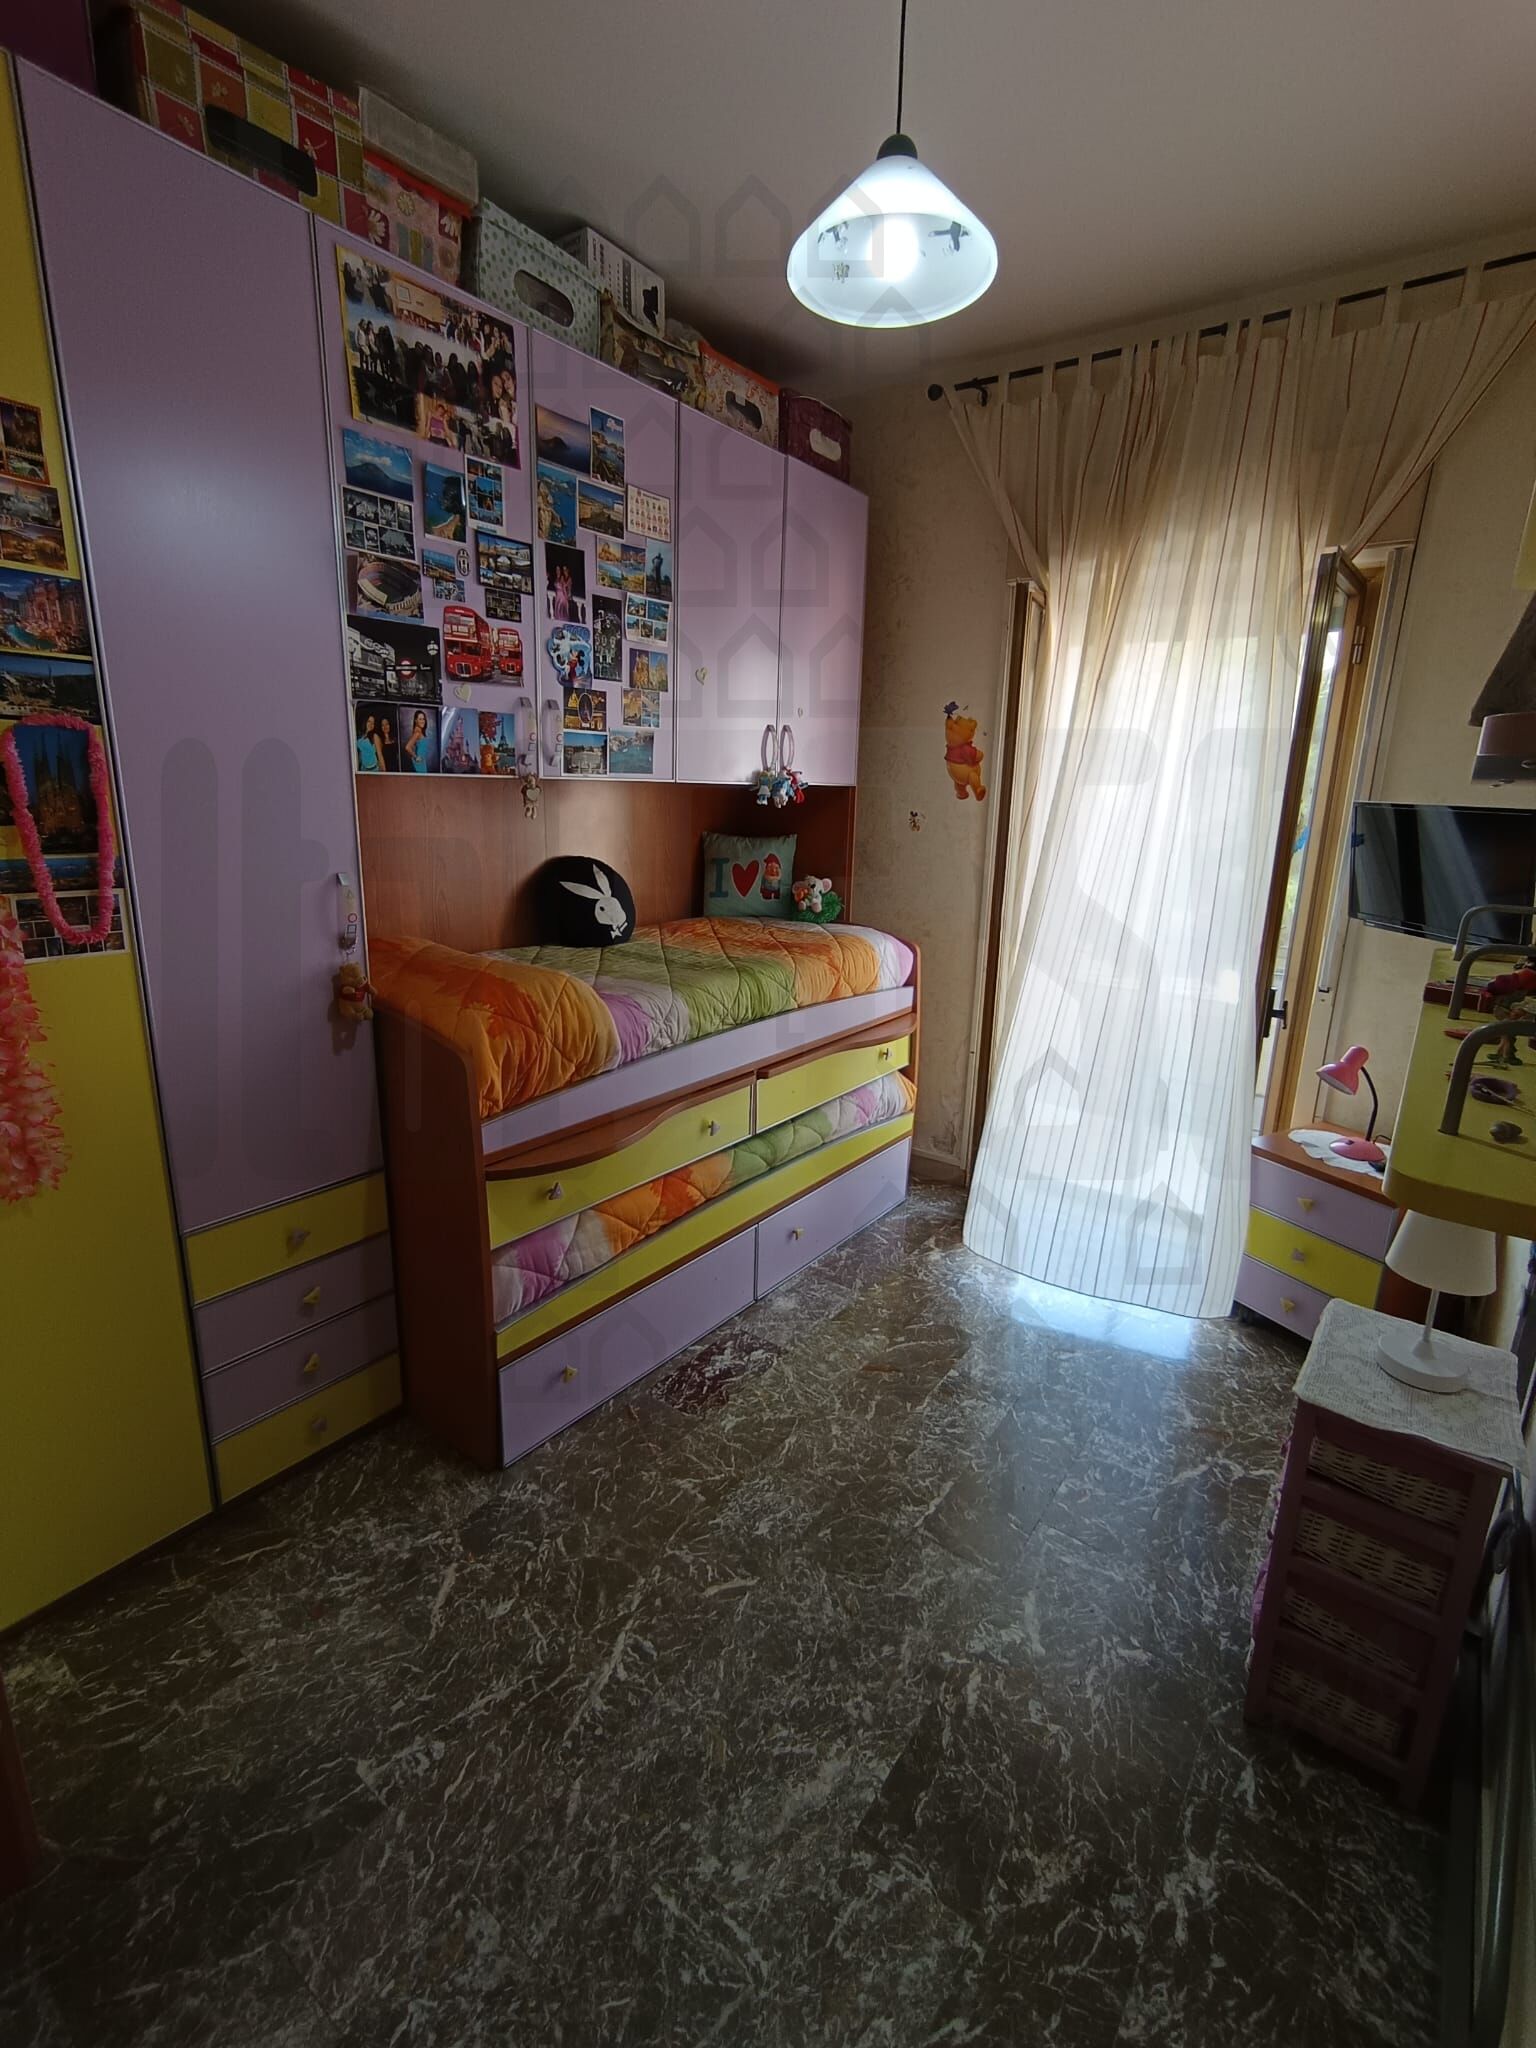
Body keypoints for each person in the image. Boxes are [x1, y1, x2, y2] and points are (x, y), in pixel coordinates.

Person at [406, 708, 432, 773]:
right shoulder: (417, 732)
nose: (422, 721)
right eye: (420, 719)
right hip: (419, 763)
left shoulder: (419, 731)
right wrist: (416, 757)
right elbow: (407, 747)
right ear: (416, 720)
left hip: (422, 762)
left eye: (423, 719)